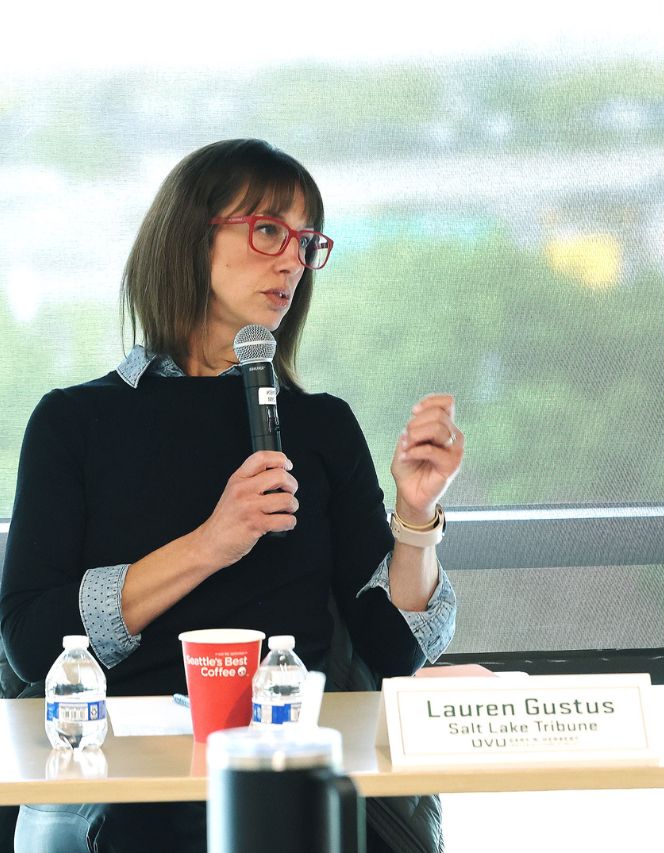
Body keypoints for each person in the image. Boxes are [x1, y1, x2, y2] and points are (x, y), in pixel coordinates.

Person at [0, 139, 462, 852]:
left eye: (307, 241)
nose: (292, 261)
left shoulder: (320, 423)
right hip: (133, 782)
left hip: (294, 766)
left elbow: (391, 646)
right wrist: (210, 543)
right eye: (269, 230)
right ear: (189, 237)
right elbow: (33, 640)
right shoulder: (75, 421)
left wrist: (417, 517)